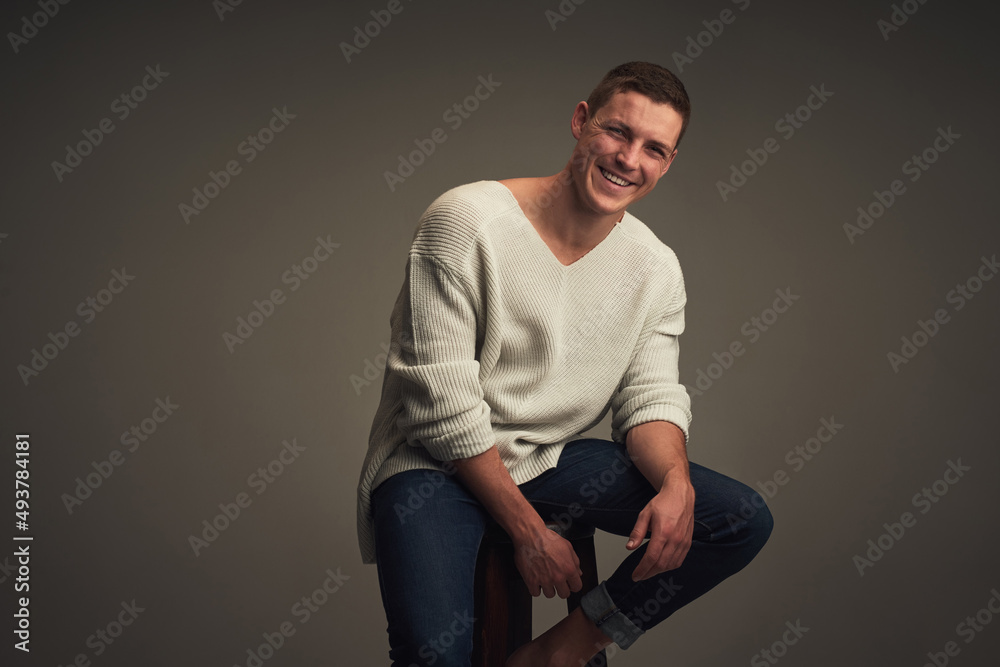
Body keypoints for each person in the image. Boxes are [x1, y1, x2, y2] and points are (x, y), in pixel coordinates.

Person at [356, 61, 774, 667]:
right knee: (430, 656)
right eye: (617, 133)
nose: (629, 159)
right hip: (433, 463)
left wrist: (676, 485)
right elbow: (440, 404)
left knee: (738, 519)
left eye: (654, 148)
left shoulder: (656, 268)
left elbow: (649, 400)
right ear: (582, 122)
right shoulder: (465, 222)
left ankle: (558, 653)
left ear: (668, 162)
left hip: (546, 459)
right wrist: (528, 533)